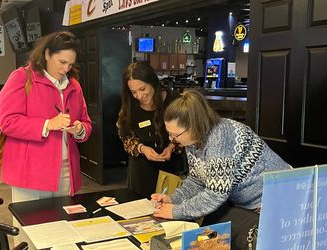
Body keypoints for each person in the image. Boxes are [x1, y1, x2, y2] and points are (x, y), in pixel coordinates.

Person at [151, 90, 291, 249]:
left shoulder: (220, 139)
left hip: (276, 199)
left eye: (175, 134)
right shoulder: (193, 140)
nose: (171, 139)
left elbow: (216, 193)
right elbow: (197, 179)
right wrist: (173, 199)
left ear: (194, 126)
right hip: (249, 202)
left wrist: (176, 211)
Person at [0, 31, 92, 203]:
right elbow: (8, 122)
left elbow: (86, 123)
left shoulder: (74, 86)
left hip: (65, 171)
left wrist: (79, 130)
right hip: (30, 171)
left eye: (70, 64)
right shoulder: (22, 77)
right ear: (47, 54)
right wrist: (48, 124)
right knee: (31, 225)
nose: (66, 69)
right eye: (62, 62)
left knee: (62, 225)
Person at [116, 61, 185, 198]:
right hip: (141, 170)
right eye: (134, 92)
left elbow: (187, 132)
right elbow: (125, 136)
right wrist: (142, 148)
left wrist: (172, 146)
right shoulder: (130, 104)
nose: (139, 96)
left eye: (143, 89)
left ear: (153, 83)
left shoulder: (174, 101)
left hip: (172, 167)